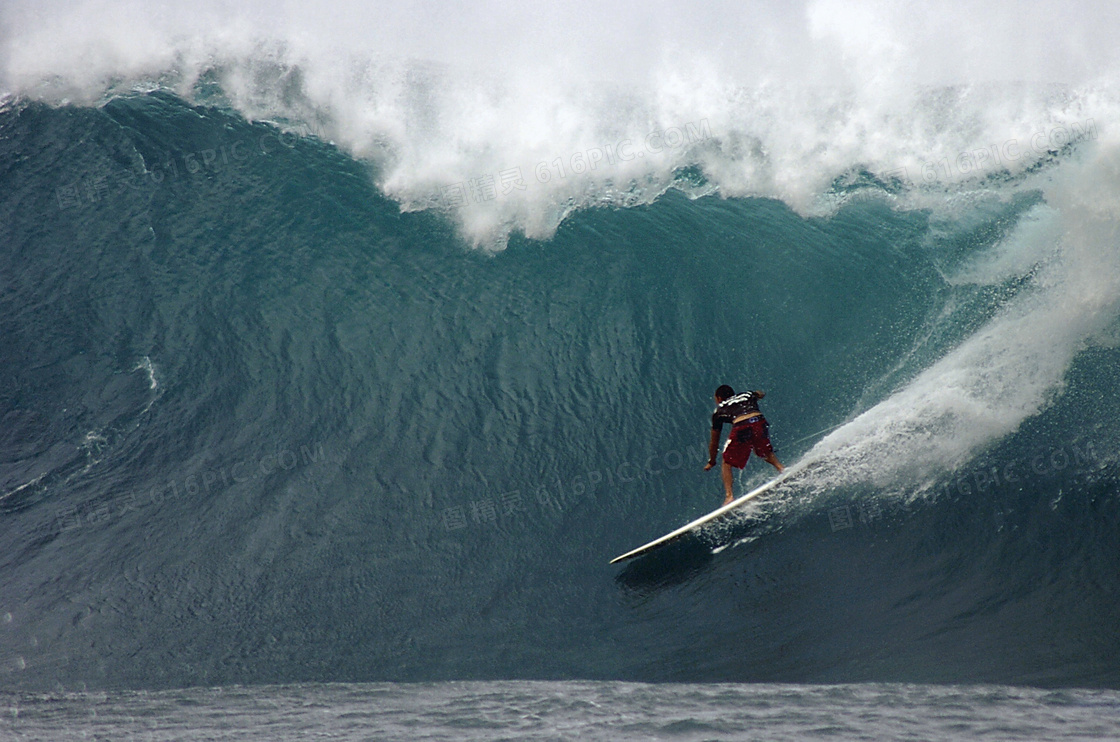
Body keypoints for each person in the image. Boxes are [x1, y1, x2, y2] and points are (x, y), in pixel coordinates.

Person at [704, 384, 784, 504]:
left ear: (719, 398)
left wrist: (712, 461)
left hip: (742, 426)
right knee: (764, 452)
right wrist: (758, 395)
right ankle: (782, 469)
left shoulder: (719, 410)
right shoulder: (746, 394)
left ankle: (729, 497)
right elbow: (759, 393)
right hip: (759, 421)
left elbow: (714, 441)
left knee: (726, 462)